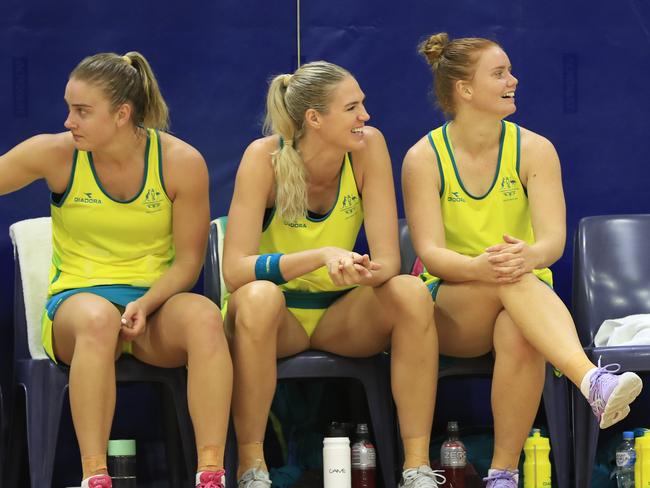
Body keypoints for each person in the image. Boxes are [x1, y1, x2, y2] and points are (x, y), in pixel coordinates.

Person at [402, 32, 643, 487]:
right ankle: (590, 379)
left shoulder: (535, 149)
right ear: (465, 90)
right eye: (499, 73)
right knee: (511, 279)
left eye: (509, 71)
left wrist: (525, 256)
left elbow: (551, 242)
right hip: (452, 303)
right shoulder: (423, 157)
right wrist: (485, 267)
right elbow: (431, 254)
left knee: (519, 327)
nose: (513, 80)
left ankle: (503, 475)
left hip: (522, 297)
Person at [0, 52, 232, 488]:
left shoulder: (181, 162)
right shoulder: (56, 154)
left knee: (204, 317)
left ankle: (211, 472)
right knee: (98, 318)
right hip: (78, 311)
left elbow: (188, 262)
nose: (69, 121)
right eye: (69, 108)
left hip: (153, 308)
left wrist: (146, 303)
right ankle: (96, 476)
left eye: (82, 111)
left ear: (122, 114)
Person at [223, 61, 442, 488]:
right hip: (276, 318)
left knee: (410, 293)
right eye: (353, 108)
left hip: (340, 317)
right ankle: (253, 467)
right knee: (257, 297)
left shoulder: (368, 147)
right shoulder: (262, 158)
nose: (366, 116)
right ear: (315, 118)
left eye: (362, 105)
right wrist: (320, 254)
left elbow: (388, 262)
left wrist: (359, 272)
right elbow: (235, 271)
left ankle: (416, 468)